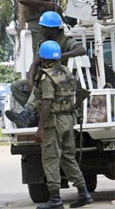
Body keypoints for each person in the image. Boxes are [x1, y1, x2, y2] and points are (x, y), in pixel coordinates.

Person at [34, 40, 93, 209]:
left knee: (51, 158)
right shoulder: (67, 72)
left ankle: (55, 199)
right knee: (68, 158)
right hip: (68, 119)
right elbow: (78, 93)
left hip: (54, 122)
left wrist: (40, 128)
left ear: (43, 58)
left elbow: (46, 102)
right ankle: (84, 193)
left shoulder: (47, 76)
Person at [6, 11, 86, 127]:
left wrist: (59, 56)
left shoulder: (65, 41)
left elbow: (81, 50)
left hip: (60, 79)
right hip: (43, 76)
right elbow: (35, 63)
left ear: (52, 29)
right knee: (17, 86)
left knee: (41, 83)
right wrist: (30, 80)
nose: (41, 31)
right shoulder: (43, 42)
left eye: (44, 28)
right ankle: (35, 115)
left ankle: (28, 114)